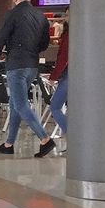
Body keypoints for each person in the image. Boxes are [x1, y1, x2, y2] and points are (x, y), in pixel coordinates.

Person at [0, 0, 56, 156]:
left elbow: (0, 37)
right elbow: (44, 42)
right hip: (32, 65)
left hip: (17, 64)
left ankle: (45, 139)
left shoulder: (13, 14)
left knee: (20, 104)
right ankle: (9, 144)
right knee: (15, 104)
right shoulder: (40, 16)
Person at [48, 9, 69, 139]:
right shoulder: (68, 33)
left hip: (67, 75)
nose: (65, 17)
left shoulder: (69, 35)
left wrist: (54, 76)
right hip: (69, 74)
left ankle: (71, 135)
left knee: (55, 106)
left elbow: (63, 57)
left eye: (67, 14)